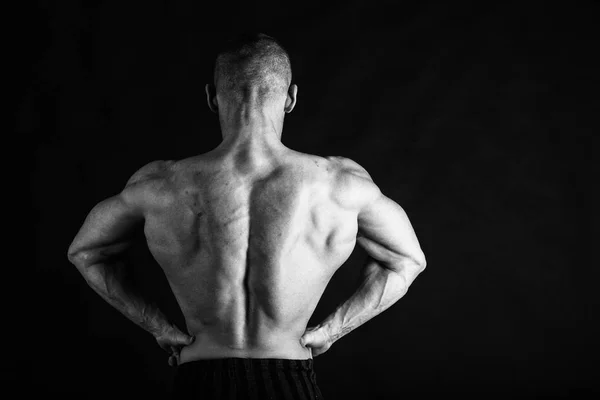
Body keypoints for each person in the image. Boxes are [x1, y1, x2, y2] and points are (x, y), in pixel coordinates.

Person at [67, 33, 427, 399]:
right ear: (290, 98)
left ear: (211, 97)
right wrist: (330, 331)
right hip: (290, 382)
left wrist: (157, 325)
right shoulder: (340, 184)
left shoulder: (160, 183)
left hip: (199, 380)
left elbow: (85, 252)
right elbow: (407, 259)